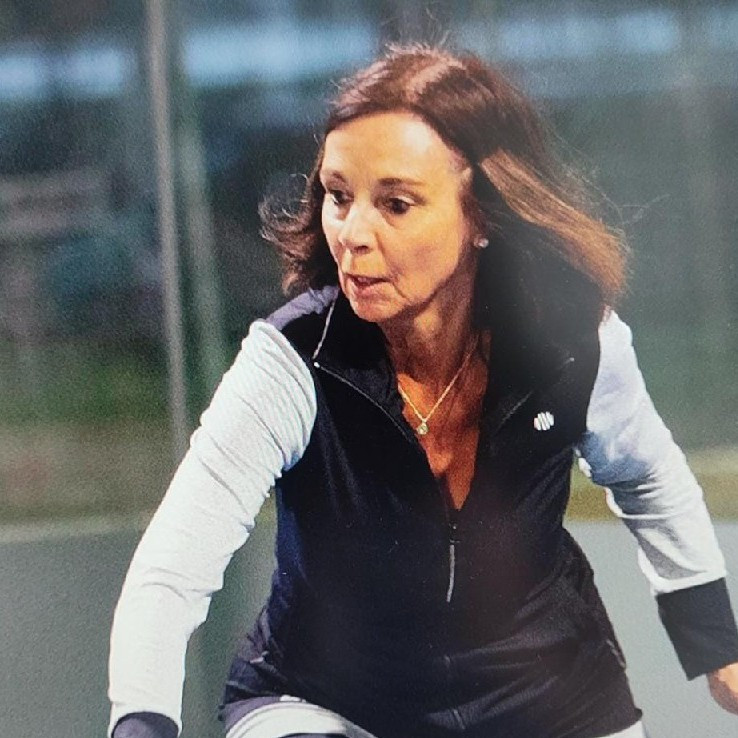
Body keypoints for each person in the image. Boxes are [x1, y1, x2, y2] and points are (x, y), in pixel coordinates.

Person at [108, 44, 738, 738]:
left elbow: (647, 475)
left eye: (396, 204)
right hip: (323, 699)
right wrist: (141, 723)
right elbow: (174, 565)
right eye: (339, 197)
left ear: (481, 216)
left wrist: (717, 646)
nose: (353, 235)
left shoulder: (574, 340)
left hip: (553, 696)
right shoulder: (290, 360)